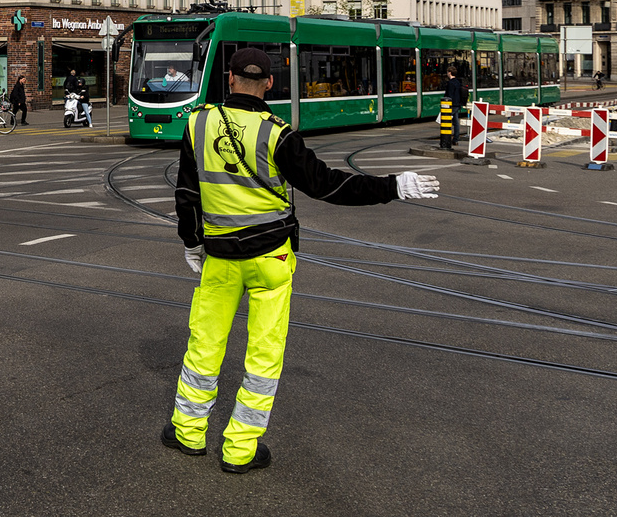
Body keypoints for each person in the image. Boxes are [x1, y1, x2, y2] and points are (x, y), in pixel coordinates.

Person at [164, 48, 439, 474]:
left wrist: (191, 242)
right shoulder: (279, 134)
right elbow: (327, 186)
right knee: (263, 353)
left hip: (219, 257)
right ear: (269, 84)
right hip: (271, 257)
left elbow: (186, 194)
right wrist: (393, 185)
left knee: (205, 343)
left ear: (230, 79)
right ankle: (239, 449)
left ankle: (187, 432)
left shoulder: (198, 123)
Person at [442, 64, 468, 146]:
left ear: (449, 73)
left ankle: (446, 139)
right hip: (457, 104)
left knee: (446, 122)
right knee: (456, 123)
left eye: (447, 72)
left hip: (451, 105)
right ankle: (455, 139)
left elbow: (449, 95)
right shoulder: (458, 82)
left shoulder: (450, 83)